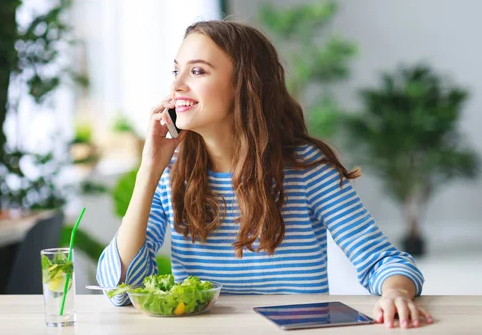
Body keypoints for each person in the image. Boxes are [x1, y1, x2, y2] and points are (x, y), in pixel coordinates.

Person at [96, 20, 432, 329]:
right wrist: (149, 171)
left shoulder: (306, 168)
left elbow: (382, 261)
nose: (177, 85)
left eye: (197, 71)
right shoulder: (172, 171)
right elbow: (119, 288)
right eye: (175, 71)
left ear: (244, 86)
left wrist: (395, 293)